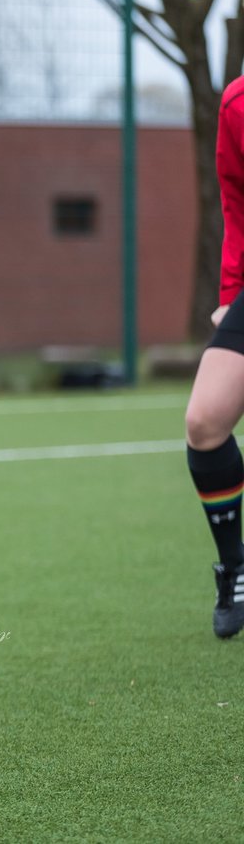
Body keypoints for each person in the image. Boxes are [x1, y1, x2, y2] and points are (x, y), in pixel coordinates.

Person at [188, 75, 244, 639]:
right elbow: (236, 203)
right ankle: (236, 564)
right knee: (205, 423)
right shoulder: (236, 104)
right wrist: (229, 296)